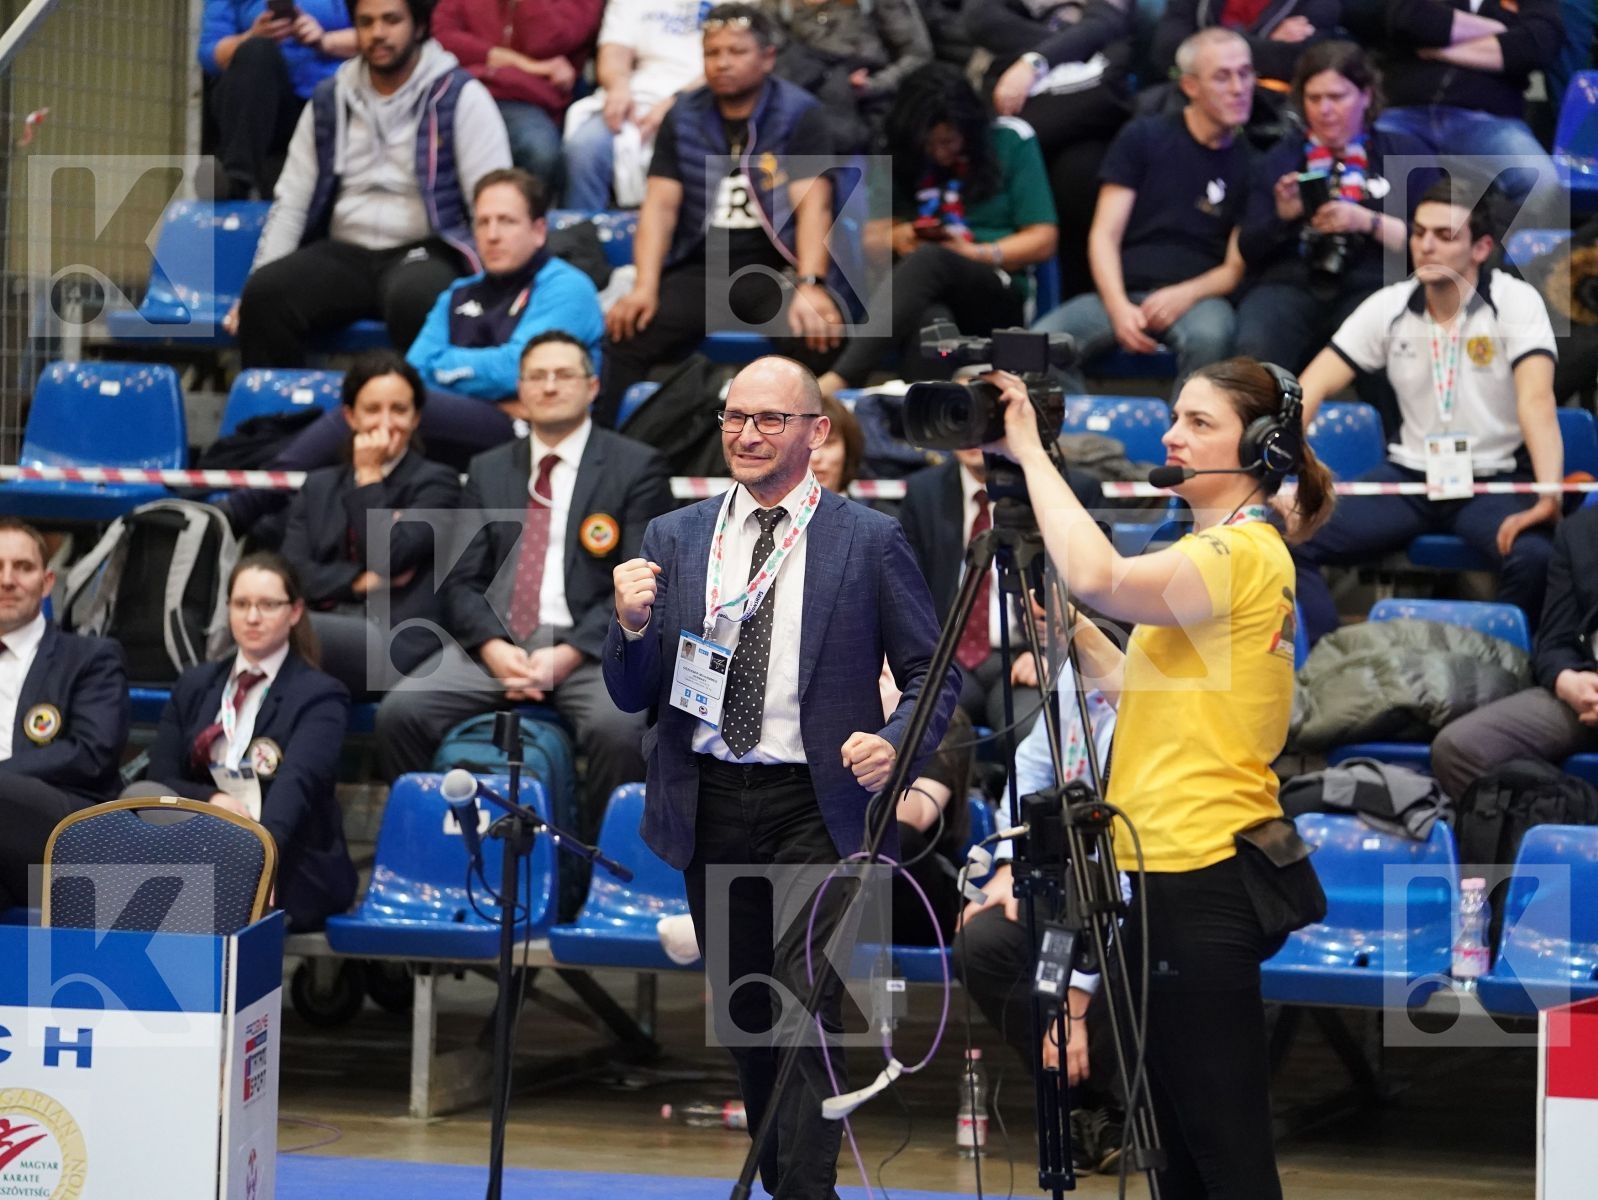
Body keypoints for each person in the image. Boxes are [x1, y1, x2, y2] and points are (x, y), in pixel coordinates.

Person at [603, 355, 959, 1197]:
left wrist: (897, 740)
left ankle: (807, 1191)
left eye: (770, 420)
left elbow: (932, 672)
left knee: (809, 1015)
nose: (749, 434)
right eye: (736, 417)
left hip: (818, 805)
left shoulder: (868, 538)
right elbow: (632, 693)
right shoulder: (675, 536)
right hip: (710, 799)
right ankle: (785, 1182)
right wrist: (628, 624)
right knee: (750, 1021)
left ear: (816, 433)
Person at [992, 356, 1337, 1197]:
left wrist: (1034, 455)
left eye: (1198, 422)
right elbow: (1147, 692)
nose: (1172, 435)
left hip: (1199, 872)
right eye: (1174, 417)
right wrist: (1078, 636)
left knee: (1222, 1149)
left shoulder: (1240, 552)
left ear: (1258, 445)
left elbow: (1101, 574)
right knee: (1178, 1150)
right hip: (1160, 871)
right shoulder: (1210, 553)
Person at [376, 331, 674, 830]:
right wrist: (492, 645)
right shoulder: (488, 468)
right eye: (537, 376)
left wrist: (570, 653)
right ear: (520, 389)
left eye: (563, 375)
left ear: (593, 385)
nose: (550, 386)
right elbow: (462, 581)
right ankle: (432, 848)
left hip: (594, 648)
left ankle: (597, 870)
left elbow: (641, 582)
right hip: (499, 645)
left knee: (618, 729)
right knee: (399, 714)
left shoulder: (637, 466)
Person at [225, 168, 604, 537]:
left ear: (539, 230)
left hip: (530, 431)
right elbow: (415, 372)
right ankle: (269, 526)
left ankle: (242, 506)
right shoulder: (459, 292)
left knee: (376, 412)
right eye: (483, 222)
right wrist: (492, 390)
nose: (491, 234)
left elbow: (518, 371)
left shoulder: (567, 287)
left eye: (506, 221)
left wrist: (450, 370)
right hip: (469, 427)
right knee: (384, 416)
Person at [1291, 178, 1562, 646]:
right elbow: (1308, 388)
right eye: (1418, 233)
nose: (1425, 245)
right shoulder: (1389, 306)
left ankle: (1507, 666)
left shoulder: (1516, 302)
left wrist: (1547, 496)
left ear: (1480, 248)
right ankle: (1327, 664)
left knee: (1536, 557)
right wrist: (1286, 481)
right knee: (1286, 533)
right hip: (1410, 478)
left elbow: (1536, 400)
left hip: (1492, 481)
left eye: (1444, 235)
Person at [224, 0, 512, 367]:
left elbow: (491, 202)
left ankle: (426, 422)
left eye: (391, 20)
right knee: (265, 295)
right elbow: (291, 203)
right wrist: (253, 282)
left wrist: (497, 290)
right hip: (347, 251)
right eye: (367, 22)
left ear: (419, 27)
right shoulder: (329, 98)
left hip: (426, 249)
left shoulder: (461, 96)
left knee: (417, 298)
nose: (378, 33)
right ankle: (276, 422)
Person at [599, 3, 847, 406]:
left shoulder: (799, 113)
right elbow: (659, 209)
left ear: (767, 57)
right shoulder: (682, 117)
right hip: (701, 268)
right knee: (625, 334)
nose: (722, 63)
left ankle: (791, 448)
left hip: (772, 268)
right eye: (713, 53)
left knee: (819, 333)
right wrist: (644, 287)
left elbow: (813, 207)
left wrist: (811, 284)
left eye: (736, 52)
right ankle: (613, 459)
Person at [952, 652, 1122, 1174]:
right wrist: (1010, 864)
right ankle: (1074, 1103)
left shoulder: (1153, 683)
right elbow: (1034, 764)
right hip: (1063, 879)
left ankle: (1118, 1106)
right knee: (983, 941)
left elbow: (1129, 882)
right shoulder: (1076, 669)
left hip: (1132, 888)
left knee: (1129, 961)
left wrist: (1070, 1003)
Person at [138, 553, 356, 932]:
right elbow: (161, 778)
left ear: (294, 612)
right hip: (199, 845)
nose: (252, 617)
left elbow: (296, 785)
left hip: (288, 858)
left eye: (268, 605)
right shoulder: (195, 685)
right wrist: (213, 803)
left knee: (189, 898)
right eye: (241, 604)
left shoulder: (321, 696)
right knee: (137, 794)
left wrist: (259, 858)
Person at [814, 63, 1058, 396]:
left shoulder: (1010, 139)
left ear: (969, 129)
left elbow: (1043, 239)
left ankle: (840, 379)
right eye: (929, 144)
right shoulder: (898, 152)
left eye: (949, 141)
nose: (939, 152)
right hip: (919, 295)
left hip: (997, 289)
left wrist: (974, 253)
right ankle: (930, 433)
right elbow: (873, 242)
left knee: (934, 259)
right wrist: (902, 237)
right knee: (930, 321)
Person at [1031, 28, 1253, 392]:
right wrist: (1118, 307)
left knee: (1211, 338)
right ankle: (1085, 444)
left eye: (1245, 73)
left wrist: (1185, 294)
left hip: (1200, 299)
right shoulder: (1143, 138)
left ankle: (1183, 445)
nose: (1238, 87)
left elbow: (1234, 268)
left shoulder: (1254, 162)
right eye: (1223, 76)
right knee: (1037, 347)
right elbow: (1104, 234)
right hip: (1122, 290)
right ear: (1190, 86)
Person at [1236, 42, 1433, 378]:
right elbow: (1248, 249)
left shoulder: (1405, 154)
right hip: (1291, 283)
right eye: (1314, 99)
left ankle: (1393, 432)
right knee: (1258, 343)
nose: (1324, 109)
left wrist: (1367, 222)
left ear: (1366, 96)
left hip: (1373, 283)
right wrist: (1282, 217)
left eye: (1337, 97)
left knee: (1389, 338)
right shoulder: (1280, 158)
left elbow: (1435, 244)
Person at [278, 350, 463, 696]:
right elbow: (292, 574)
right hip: (329, 625)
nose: (386, 422)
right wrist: (358, 582)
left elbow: (389, 556)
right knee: (270, 628)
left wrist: (368, 476)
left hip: (398, 638)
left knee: (272, 629)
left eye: (399, 410)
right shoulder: (319, 485)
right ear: (350, 417)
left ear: (416, 418)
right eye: (372, 410)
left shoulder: (438, 483)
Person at [899, 446, 1101, 736]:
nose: (973, 435)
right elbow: (906, 591)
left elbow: (1095, 588)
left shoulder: (1068, 489)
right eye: (961, 417)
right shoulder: (924, 490)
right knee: (918, 727)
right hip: (946, 656)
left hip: (1027, 656)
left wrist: (1051, 652)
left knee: (1034, 730)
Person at [0, 520, 130, 912]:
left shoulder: (91, 657)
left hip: (62, 827)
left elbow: (91, 754)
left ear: (47, 581)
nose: (7, 580)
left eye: (22, 567)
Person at [1432, 501, 1598, 802]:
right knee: (1459, 748)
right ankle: (1549, 838)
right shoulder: (1578, 530)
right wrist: (1567, 681)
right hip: (1588, 691)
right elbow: (1553, 642)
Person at [969, 0, 1134, 300]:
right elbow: (982, 18)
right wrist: (1079, 46)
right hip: (1023, 95)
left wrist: (1036, 61)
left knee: (1077, 172)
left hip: (1080, 105)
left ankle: (1081, 308)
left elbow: (1107, 22)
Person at [1380, 0, 1564, 213]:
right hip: (1404, 114)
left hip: (1489, 122)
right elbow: (1408, 18)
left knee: (1542, 183)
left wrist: (1438, 50)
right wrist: (1503, 31)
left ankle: (1505, 247)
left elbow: (1536, 44)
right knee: (1360, 167)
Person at [433, 0, 603, 188]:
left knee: (539, 150)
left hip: (527, 99)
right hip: (461, 87)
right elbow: (440, 36)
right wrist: (521, 63)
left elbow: (549, 41)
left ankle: (521, 216)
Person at [559, 0, 708, 211]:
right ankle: (581, 237)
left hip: (705, 97)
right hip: (637, 96)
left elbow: (733, 61)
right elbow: (613, 51)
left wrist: (678, 103)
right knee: (585, 146)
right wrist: (618, 86)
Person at [199, 0, 356, 200]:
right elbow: (208, 54)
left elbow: (390, 36)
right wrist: (250, 37)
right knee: (256, 50)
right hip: (266, 106)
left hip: (332, 100)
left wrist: (324, 40)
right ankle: (236, 182)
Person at [764, 0, 933, 152]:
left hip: (879, 115)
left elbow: (918, 55)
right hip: (810, 118)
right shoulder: (777, 8)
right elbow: (770, 64)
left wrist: (875, 84)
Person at [1150, 0, 1337, 86]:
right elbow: (1168, 48)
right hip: (1195, 99)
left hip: (1273, 111)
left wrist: (1203, 40)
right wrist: (1264, 40)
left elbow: (1298, 62)